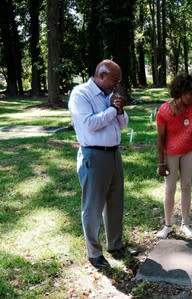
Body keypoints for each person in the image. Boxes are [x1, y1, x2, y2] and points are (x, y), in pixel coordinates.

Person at [68, 59, 129, 269]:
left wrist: (120, 111)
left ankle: (115, 244)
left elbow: (123, 125)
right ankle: (94, 253)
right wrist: (113, 109)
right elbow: (90, 124)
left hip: (113, 155)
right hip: (93, 156)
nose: (116, 85)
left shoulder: (110, 96)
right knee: (92, 207)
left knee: (115, 202)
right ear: (101, 75)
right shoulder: (80, 94)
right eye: (114, 80)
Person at [156, 74, 192, 239]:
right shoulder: (164, 110)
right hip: (170, 154)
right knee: (170, 188)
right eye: (188, 93)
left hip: (189, 151)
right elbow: (160, 138)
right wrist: (161, 163)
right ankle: (168, 225)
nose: (191, 96)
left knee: (186, 186)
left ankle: (185, 224)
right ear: (179, 92)